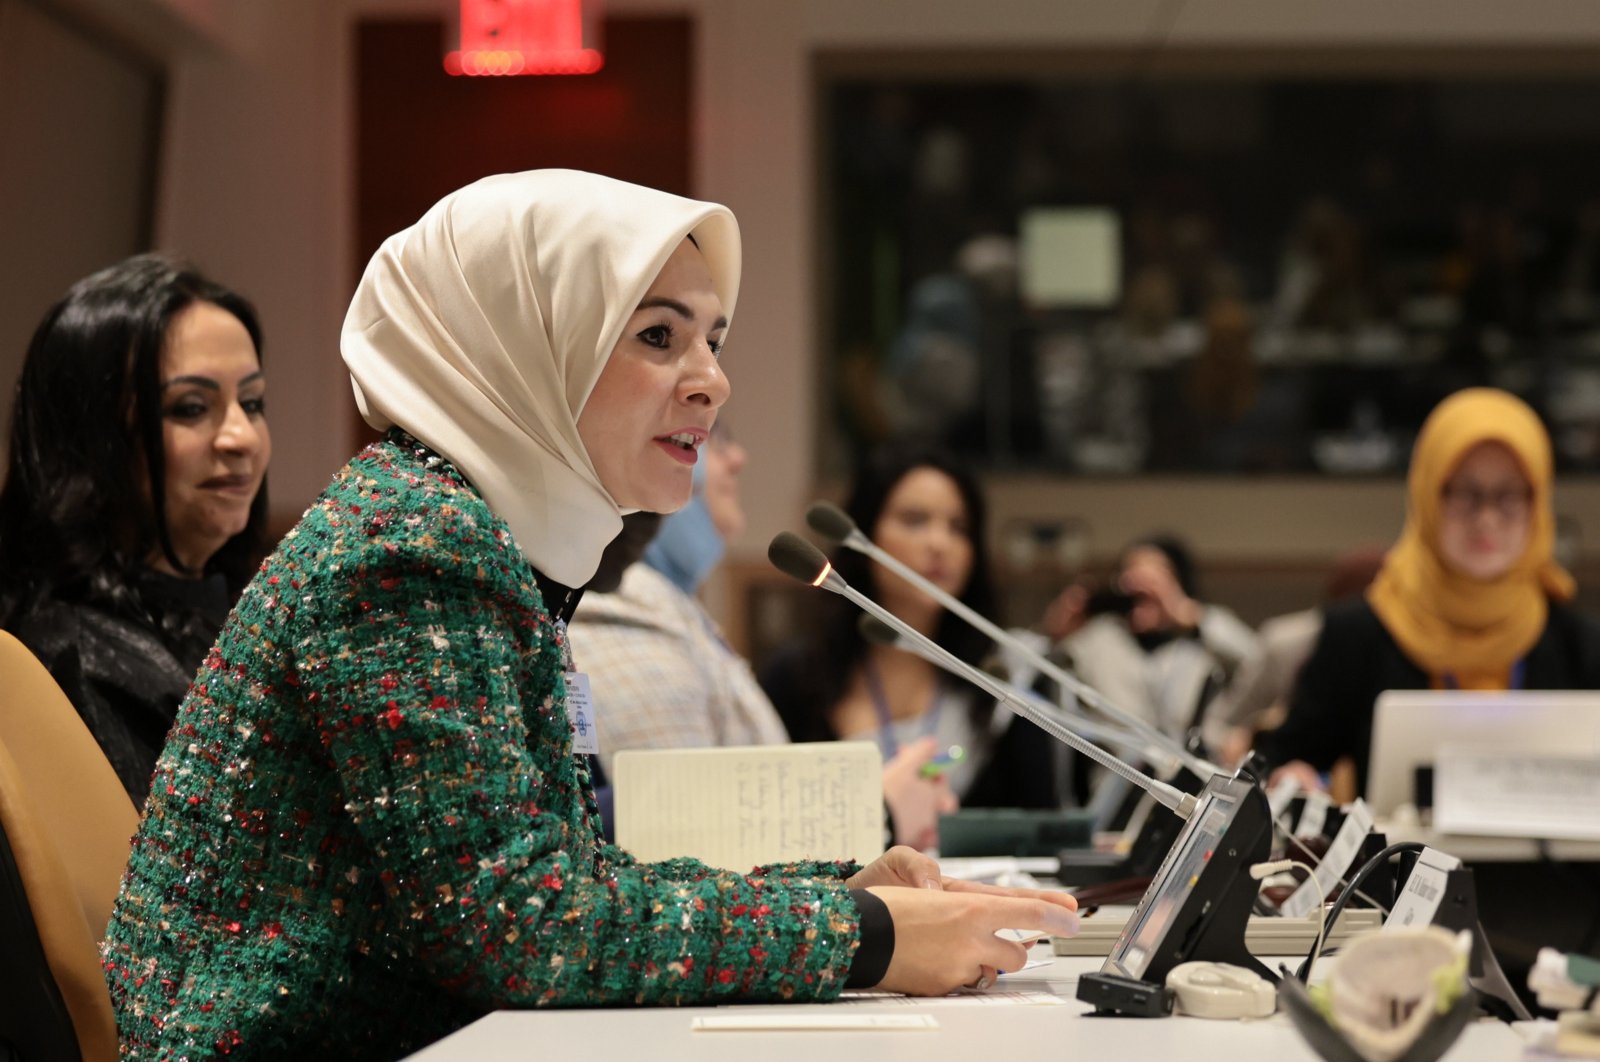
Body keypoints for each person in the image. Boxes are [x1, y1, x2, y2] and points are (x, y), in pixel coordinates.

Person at [101, 171, 1078, 1060]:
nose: (711, 379)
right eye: (657, 335)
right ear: (523, 346)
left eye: (712, 339)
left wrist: (839, 894)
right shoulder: (411, 551)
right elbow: (522, 927)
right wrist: (862, 939)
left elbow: (564, 880)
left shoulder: (463, 532)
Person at [568, 431, 955, 849]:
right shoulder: (621, 606)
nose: (739, 457)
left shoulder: (671, 606)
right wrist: (874, 808)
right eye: (704, 438)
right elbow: (680, 839)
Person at [0, 254, 270, 804]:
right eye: (191, 407)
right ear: (90, 437)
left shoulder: (251, 607)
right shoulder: (69, 659)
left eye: (252, 402)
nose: (240, 437)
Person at [1256, 387, 1600, 794]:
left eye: (1508, 495)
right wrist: (1292, 779)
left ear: (1537, 503)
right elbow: (1281, 762)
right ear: (1427, 494)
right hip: (1400, 857)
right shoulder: (1359, 634)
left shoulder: (1580, 645)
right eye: (1465, 493)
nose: (1486, 518)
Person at [760, 442, 1060, 814]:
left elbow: (1045, 829)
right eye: (915, 520)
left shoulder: (1006, 676)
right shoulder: (796, 676)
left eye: (958, 527)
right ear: (865, 534)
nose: (940, 543)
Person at [1044, 534, 1262, 750]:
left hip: (1198, 774)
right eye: (1131, 574)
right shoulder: (1100, 639)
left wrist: (1187, 614)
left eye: (1156, 576)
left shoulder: (1204, 637)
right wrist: (1056, 631)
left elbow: (1262, 664)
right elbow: (1033, 670)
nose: (1142, 583)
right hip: (1118, 777)